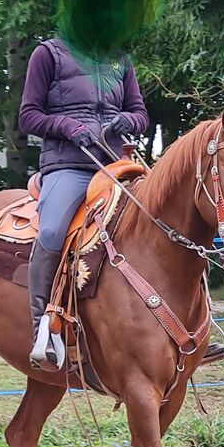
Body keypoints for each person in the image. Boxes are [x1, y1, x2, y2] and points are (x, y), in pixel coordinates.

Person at [18, 39, 148, 371]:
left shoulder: (119, 57)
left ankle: (192, 327)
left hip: (116, 166)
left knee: (167, 216)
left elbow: (140, 114)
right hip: (68, 166)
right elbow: (29, 116)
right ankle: (43, 330)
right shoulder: (47, 54)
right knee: (50, 231)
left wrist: (127, 122)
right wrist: (67, 127)